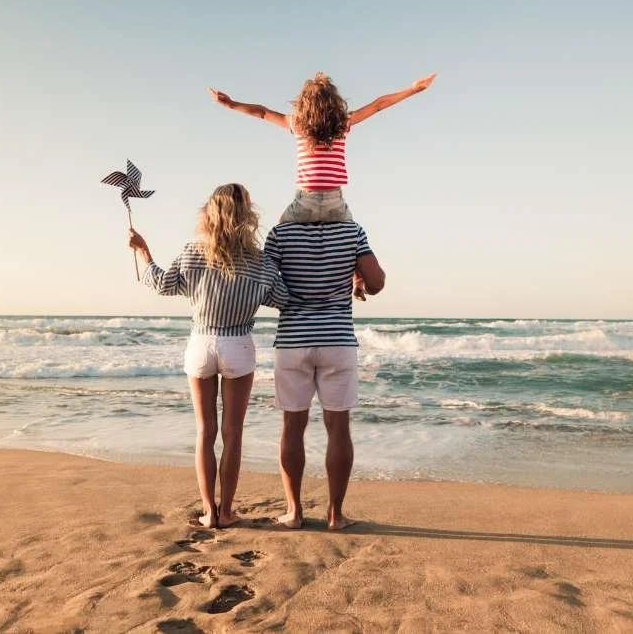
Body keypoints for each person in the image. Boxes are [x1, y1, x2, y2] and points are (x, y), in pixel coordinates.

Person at [128, 184, 289, 528]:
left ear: (210, 213)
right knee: (233, 433)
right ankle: (228, 511)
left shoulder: (193, 253)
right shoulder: (260, 261)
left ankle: (208, 512)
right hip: (239, 346)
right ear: (248, 215)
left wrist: (143, 251)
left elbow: (163, 284)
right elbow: (283, 299)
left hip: (201, 344)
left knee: (205, 431)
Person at [208, 71, 434, 299]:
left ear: (303, 104)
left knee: (278, 233)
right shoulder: (343, 123)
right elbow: (378, 105)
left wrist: (231, 104)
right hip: (334, 203)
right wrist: (413, 89)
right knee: (355, 241)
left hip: (304, 202)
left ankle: (268, 283)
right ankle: (357, 279)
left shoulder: (296, 124)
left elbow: (263, 112)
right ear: (335, 103)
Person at [262, 218, 385, 530]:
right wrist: (355, 275)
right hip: (337, 340)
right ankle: (335, 515)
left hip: (292, 341)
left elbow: (264, 285)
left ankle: (293, 513)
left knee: (292, 426)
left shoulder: (280, 233)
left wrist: (293, 293)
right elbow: (377, 283)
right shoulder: (352, 231)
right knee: (339, 428)